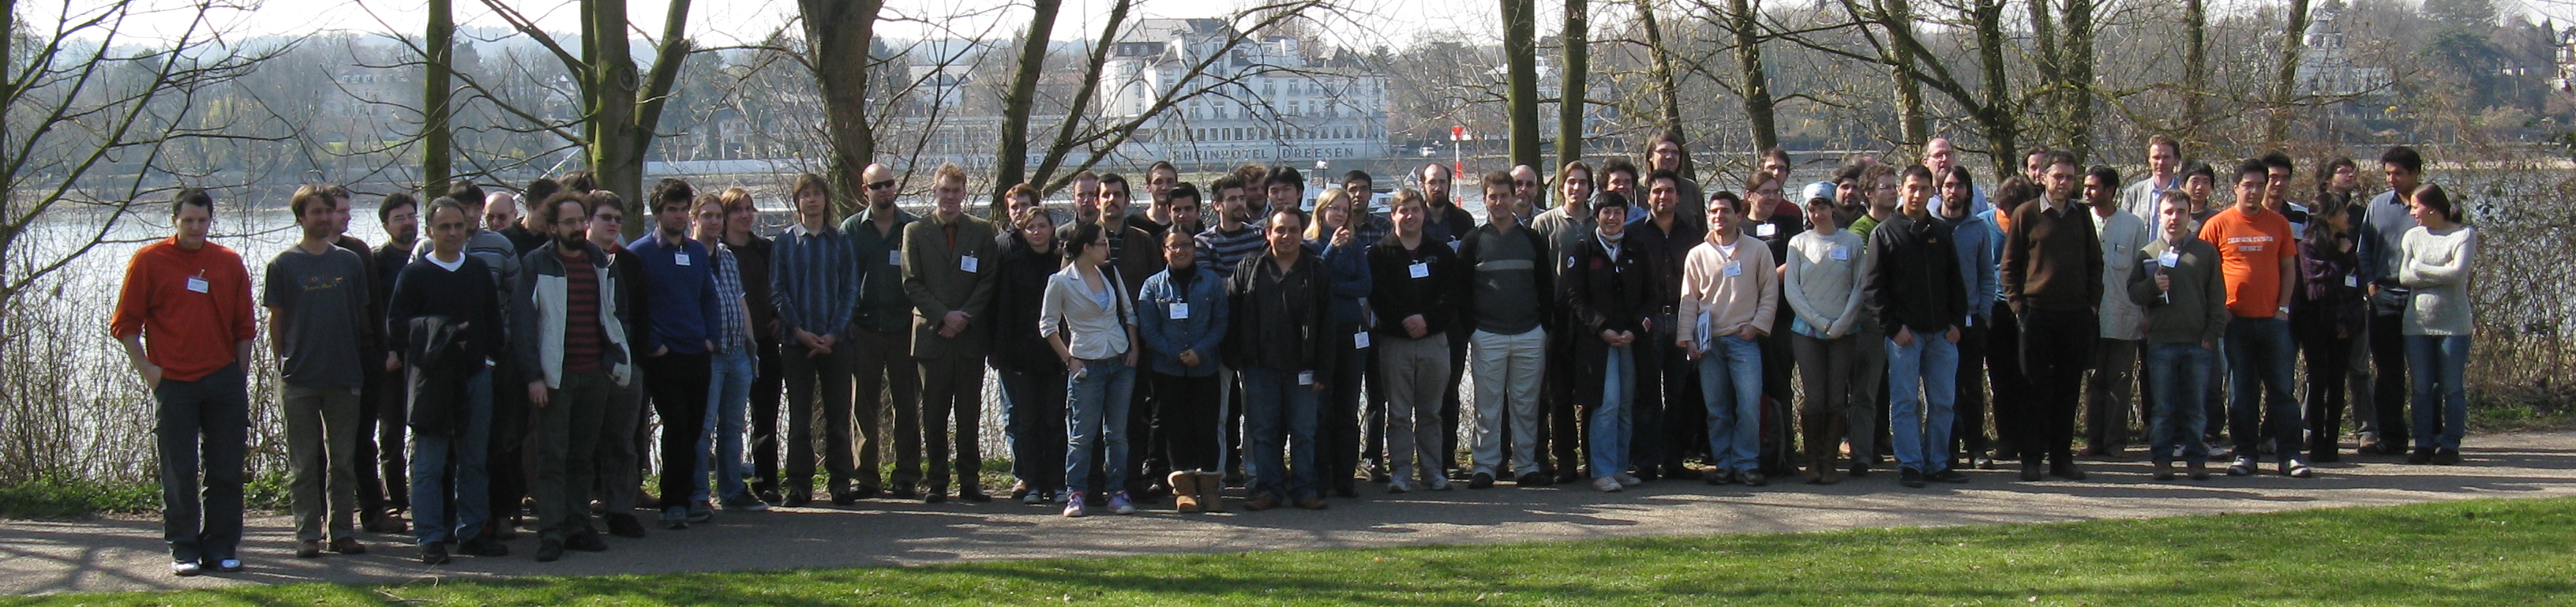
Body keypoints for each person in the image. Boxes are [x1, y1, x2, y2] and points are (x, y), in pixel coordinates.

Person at [114, 189, 257, 576]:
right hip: (173, 382)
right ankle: (184, 548)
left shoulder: (228, 262)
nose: (195, 227)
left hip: (222, 379)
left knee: (226, 469)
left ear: (211, 221)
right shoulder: (150, 261)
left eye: (202, 220)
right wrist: (149, 371)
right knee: (179, 469)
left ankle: (222, 546)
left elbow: (245, 326)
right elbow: (126, 323)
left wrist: (238, 376)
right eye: (188, 220)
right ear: (175, 220)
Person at [387, 197, 510, 563]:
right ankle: (430, 537)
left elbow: (492, 321)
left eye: (459, 226)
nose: (453, 232)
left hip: (475, 375)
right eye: (445, 227)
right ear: (430, 232)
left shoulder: (476, 272)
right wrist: (444, 334)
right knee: (429, 464)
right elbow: (397, 327)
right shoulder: (415, 275)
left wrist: (486, 357)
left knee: (474, 460)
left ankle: (472, 532)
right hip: (433, 382)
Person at [513, 192, 634, 562]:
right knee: (553, 457)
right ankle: (552, 532)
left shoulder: (602, 261)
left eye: (581, 220)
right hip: (554, 378)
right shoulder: (537, 263)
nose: (579, 227)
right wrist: (534, 376)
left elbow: (618, 314)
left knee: (583, 457)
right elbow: (523, 324)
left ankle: (579, 525)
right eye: (569, 222)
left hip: (594, 373)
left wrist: (615, 359)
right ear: (552, 227)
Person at [264, 185, 374, 559]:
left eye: (329, 212)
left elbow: (363, 319)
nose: (325, 218)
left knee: (343, 461)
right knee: (304, 463)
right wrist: (283, 364)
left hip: (344, 375)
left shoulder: (350, 262)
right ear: (301, 218)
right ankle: (306, 534)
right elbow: (275, 320)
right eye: (316, 212)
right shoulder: (283, 265)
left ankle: (342, 531)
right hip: (299, 378)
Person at [2200, 158, 2309, 479]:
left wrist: (2284, 309)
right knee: (2241, 391)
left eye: (2260, 186)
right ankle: (2245, 454)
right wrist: (2219, 312)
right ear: (2236, 187)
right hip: (2236, 322)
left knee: (2282, 391)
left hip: (2273, 322)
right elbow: (2205, 274)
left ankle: (2290, 455)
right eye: (2248, 185)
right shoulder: (2218, 224)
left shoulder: (2277, 224)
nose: (2254, 191)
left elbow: (2289, 269)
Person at [2000, 151, 2104, 481]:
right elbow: (2010, 267)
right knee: (2033, 390)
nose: (2063, 184)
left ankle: (2062, 458)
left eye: (2069, 178)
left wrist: (2092, 304)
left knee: (2068, 389)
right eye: (2057, 176)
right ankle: (2031, 459)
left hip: (2074, 315)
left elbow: (2095, 264)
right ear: (2043, 177)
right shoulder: (2026, 214)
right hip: (2037, 315)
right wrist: (2019, 308)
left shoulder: (2082, 215)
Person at [902, 163, 1001, 504]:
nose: (950, 197)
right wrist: (943, 316)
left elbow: (988, 279)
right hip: (932, 337)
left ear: (964, 193)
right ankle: (938, 481)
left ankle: (970, 480)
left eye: (956, 191)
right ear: (935, 191)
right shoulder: (915, 232)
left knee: (969, 413)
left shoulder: (981, 231)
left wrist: (965, 317)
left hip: (969, 337)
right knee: (933, 413)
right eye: (944, 190)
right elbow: (911, 282)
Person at [1866, 166, 1970, 488]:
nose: (1917, 194)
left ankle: (1938, 462)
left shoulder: (1941, 231)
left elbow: (1956, 282)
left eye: (1924, 189)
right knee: (1906, 402)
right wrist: (1893, 328)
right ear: (1901, 190)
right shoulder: (1884, 233)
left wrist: (1956, 323)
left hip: (1942, 333)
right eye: (1912, 188)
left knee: (1943, 402)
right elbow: (1872, 290)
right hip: (1905, 336)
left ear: (1931, 192)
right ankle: (1910, 464)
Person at [1228, 207, 1337, 511]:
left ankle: (1304, 489)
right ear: (1268, 233)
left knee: (1304, 432)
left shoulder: (1316, 270)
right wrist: (1237, 357)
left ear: (1302, 234)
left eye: (1292, 230)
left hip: (1303, 367)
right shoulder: (1250, 267)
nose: (1286, 235)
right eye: (1280, 229)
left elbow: (1328, 324)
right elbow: (1232, 313)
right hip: (1259, 366)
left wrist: (1323, 370)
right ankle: (1268, 491)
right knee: (1262, 433)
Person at [628, 179, 724, 527]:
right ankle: (673, 503)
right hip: (663, 356)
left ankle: (692, 497)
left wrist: (711, 337)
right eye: (672, 209)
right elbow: (635, 308)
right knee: (676, 427)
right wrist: (655, 344)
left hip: (697, 351)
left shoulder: (697, 252)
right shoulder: (640, 253)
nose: (680, 216)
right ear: (657, 213)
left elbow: (708, 298)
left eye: (684, 209)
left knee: (697, 429)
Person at [1460, 172, 1555, 489]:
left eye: (1504, 195)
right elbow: (1462, 292)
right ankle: (1485, 466)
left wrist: (1543, 328)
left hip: (1529, 333)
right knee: (1488, 407)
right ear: (1485, 199)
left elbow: (1545, 287)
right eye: (1493, 196)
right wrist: (1472, 330)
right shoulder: (1473, 241)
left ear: (1516, 198)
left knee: (1526, 406)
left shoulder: (1532, 240)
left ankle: (1526, 465)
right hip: (1488, 334)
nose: (1499, 202)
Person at [1678, 191, 1779, 486]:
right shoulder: (1697, 254)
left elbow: (1770, 293)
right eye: (1713, 212)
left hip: (1743, 339)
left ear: (1739, 215)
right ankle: (1723, 464)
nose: (1718, 216)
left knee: (1748, 405)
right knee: (1717, 408)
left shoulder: (1758, 250)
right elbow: (1689, 301)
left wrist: (1757, 326)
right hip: (1710, 344)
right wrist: (1688, 339)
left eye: (1724, 211)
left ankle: (1747, 464)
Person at [1043, 222, 1143, 517]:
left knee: (1117, 433)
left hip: (1120, 360)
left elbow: (1128, 312)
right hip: (1087, 362)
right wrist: (1069, 360)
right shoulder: (1061, 281)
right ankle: (1076, 492)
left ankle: (1117, 491)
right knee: (1083, 434)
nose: (1107, 248)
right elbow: (1047, 326)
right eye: (1102, 243)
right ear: (1087, 248)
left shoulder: (1110, 273)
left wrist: (1134, 348)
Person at [2132, 189, 2230, 481]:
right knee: (2163, 408)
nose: (2174, 218)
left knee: (2196, 407)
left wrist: (2212, 333)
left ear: (2189, 216)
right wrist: (2152, 286)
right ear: (2160, 216)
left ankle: (2196, 459)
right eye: (2169, 212)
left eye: (2180, 212)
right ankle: (2162, 459)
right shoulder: (2147, 253)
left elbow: (2217, 296)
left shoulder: (2206, 252)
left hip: (2197, 342)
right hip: (2161, 342)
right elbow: (2134, 293)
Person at [1369, 189, 1462, 495]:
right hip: (1395, 342)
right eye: (1402, 210)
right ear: (1393, 215)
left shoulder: (1442, 252)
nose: (1409, 216)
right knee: (1397, 412)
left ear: (1423, 213)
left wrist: (1427, 320)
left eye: (1414, 209)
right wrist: (1404, 322)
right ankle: (1401, 472)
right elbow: (1378, 297)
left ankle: (1433, 471)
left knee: (1431, 411)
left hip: (1434, 341)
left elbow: (1451, 295)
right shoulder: (1379, 254)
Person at [841, 163, 922, 500]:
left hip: (903, 328)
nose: (885, 190)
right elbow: (842, 278)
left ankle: (906, 475)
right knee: (864, 407)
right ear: (866, 191)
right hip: (864, 328)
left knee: (906, 404)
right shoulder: (851, 229)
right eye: (877, 186)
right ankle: (866, 476)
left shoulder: (911, 228)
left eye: (889, 184)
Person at [1562, 193, 1652, 493]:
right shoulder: (1583, 250)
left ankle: (1619, 467)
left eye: (1617, 212)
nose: (1612, 218)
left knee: (1627, 402)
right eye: (1606, 212)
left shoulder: (1637, 250)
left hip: (1630, 339)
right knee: (1607, 402)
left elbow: (1650, 296)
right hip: (1596, 342)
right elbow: (1576, 298)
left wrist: (1636, 329)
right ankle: (1601, 470)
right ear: (1596, 215)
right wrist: (1602, 328)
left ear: (1626, 216)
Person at [1783, 182, 1868, 485]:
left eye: (1822, 206)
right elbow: (1792, 290)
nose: (1817, 212)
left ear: (1832, 207)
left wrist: (1844, 321)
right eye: (1812, 208)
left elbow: (1860, 286)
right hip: (1807, 331)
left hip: (1845, 331)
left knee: (1836, 398)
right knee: (1815, 398)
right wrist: (1819, 321)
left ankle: (1831, 462)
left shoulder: (1852, 243)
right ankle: (1813, 461)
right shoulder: (1798, 244)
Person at [1141, 225, 1229, 512]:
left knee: (1207, 427)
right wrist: (1176, 353)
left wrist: (1200, 351)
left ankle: (1210, 488)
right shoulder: (1152, 286)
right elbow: (1149, 329)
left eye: (1186, 245)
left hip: (1205, 367)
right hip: (1168, 370)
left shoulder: (1212, 282)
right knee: (1175, 429)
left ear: (1195, 248)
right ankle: (1185, 489)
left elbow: (1220, 322)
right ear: (1164, 251)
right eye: (1174, 246)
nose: (1181, 251)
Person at [1628, 170, 1708, 482]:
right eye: (1657, 191)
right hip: (1646, 323)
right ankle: (1645, 460)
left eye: (1669, 191)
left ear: (1678, 196)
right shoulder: (1634, 233)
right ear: (1648, 197)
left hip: (1681, 319)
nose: (1664, 197)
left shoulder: (1691, 235)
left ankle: (1673, 460)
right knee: (1646, 394)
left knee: (1677, 394)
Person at [688, 193, 763, 516]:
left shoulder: (727, 256)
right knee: (703, 429)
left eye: (718, 216)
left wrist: (750, 345)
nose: (714, 222)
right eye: (707, 216)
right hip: (709, 355)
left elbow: (740, 301)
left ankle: (732, 491)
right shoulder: (688, 256)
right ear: (695, 219)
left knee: (733, 427)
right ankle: (698, 494)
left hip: (737, 353)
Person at [995, 189, 1068, 504]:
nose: (1037, 232)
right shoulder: (1012, 264)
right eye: (1031, 227)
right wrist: (1003, 354)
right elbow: (1003, 313)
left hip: (1056, 355)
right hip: (1022, 355)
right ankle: (1032, 481)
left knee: (1054, 420)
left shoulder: (1063, 263)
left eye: (1043, 226)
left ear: (1052, 228)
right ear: (1023, 232)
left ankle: (1057, 481)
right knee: (1027, 422)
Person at [2398, 183, 2477, 466]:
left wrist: (2421, 268)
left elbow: (2457, 274)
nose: (2412, 212)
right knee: (2421, 387)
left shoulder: (2463, 234)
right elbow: (2404, 277)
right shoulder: (2413, 236)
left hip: (2454, 325)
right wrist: (2436, 273)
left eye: (2416, 207)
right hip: (2417, 323)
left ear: (2431, 208)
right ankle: (2422, 443)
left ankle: (2450, 444)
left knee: (2451, 386)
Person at [1530, 161, 1596, 484]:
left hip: (1593, 318)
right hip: (1557, 315)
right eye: (1571, 182)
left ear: (1590, 188)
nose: (1576, 188)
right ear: (1561, 187)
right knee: (1559, 393)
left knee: (1592, 393)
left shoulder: (1601, 222)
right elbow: (1537, 275)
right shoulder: (1545, 224)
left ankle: (1594, 457)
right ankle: (1565, 459)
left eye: (1582, 183)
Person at [1305, 187, 1374, 497]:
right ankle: (1320, 476)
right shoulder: (1310, 245)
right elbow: (1314, 280)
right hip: (1321, 334)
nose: (1341, 214)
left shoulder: (1356, 246)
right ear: (1322, 211)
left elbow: (1365, 284)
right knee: (1321, 409)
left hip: (1352, 332)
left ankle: (1345, 475)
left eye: (1345, 210)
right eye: (1335, 208)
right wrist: (1331, 249)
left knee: (1347, 407)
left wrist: (1335, 286)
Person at [2294, 166, 2366, 463]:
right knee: (2319, 380)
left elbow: (2355, 282)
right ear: (2328, 218)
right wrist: (2339, 257)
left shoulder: (2348, 247)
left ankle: (2332, 442)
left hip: (2343, 323)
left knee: (2338, 383)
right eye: (2341, 213)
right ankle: (2317, 438)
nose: (2347, 218)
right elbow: (2317, 286)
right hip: (2314, 323)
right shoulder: (2308, 246)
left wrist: (2348, 320)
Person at [2355, 147, 2422, 455]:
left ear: (2415, 174)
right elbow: (2364, 248)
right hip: (2384, 297)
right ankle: (2391, 437)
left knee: (2425, 373)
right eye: (2388, 174)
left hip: (2421, 300)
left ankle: (2429, 437)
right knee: (2387, 372)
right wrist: (2370, 284)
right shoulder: (2379, 205)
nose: (2392, 179)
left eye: (2398, 173)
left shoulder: (2431, 204)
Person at [718, 187, 783, 504]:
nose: (745, 215)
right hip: (728, 346)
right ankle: (727, 480)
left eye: (749, 209)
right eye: (737, 210)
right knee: (727, 420)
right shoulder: (715, 252)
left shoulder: (765, 250)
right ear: (725, 217)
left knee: (765, 416)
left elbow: (779, 289)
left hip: (764, 342)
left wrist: (779, 317)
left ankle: (766, 480)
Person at [2083, 165, 2152, 459]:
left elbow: (2143, 273)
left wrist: (2146, 313)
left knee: (2119, 381)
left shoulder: (2133, 225)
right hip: (2088, 318)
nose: (2087, 192)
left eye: (2094, 187)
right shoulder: (2081, 221)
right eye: (2085, 186)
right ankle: (2093, 441)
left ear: (2111, 191)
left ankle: (2115, 442)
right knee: (2093, 380)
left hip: (2125, 315)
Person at [1938, 167, 2003, 472]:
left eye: (1960, 186)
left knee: (1971, 388)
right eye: (1949, 186)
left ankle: (1976, 448)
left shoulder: (1977, 228)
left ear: (1968, 191)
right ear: (1940, 190)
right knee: (1942, 389)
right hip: (1938, 322)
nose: (1954, 191)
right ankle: (1946, 449)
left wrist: (1984, 314)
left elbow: (1986, 274)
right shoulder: (1929, 225)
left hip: (1972, 319)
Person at [1417, 163, 1479, 480]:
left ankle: (1447, 456)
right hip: (1419, 320)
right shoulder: (1415, 218)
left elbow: (1469, 272)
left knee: (1449, 391)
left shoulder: (1463, 220)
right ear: (1422, 184)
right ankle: (1422, 458)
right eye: (1431, 182)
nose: (1437, 187)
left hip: (1454, 321)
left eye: (1442, 182)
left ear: (1450, 185)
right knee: (1421, 395)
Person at [369, 193, 422, 533]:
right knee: (391, 434)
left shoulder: (427, 256)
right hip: (390, 361)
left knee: (425, 429)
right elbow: (373, 313)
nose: (408, 223)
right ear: (386, 225)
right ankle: (395, 502)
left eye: (411, 216)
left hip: (424, 359)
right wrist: (384, 352)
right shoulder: (377, 261)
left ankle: (423, 498)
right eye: (399, 218)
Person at [1645, 129, 1707, 227]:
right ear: (1650, 156)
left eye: (1675, 152)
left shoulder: (1691, 189)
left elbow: (1702, 229)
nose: (1669, 157)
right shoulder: (1637, 189)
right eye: (1663, 151)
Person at [2120, 134, 2184, 227]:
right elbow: (2124, 228)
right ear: (2149, 159)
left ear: (2176, 160)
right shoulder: (2134, 193)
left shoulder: (2185, 192)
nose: (2161, 162)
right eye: (2156, 157)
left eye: (2166, 157)